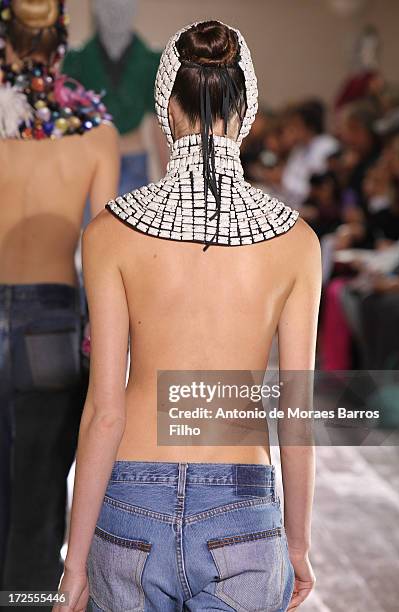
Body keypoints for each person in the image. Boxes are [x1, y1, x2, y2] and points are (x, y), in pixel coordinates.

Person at [56, 21, 321, 612]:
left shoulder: (110, 233)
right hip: (243, 507)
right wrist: (298, 543)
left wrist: (74, 566)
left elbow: (104, 410)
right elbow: (296, 414)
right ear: (246, 106)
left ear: (166, 107)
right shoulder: (297, 242)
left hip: (130, 503)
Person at [0, 0, 120, 595]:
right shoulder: (95, 129)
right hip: (51, 324)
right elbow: (103, 248)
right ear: (64, 38)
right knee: (42, 497)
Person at [63, 0, 168, 195]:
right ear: (96, 9)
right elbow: (68, 124)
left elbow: (159, 125)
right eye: (108, 6)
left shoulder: (151, 62)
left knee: (131, 223)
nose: (116, 13)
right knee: (93, 225)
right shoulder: (77, 61)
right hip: (90, 162)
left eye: (124, 6)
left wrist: (169, 184)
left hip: (132, 159)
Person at [281, 99, 339, 207]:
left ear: (309, 127)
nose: (293, 130)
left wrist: (283, 181)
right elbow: (287, 178)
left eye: (296, 125)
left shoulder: (327, 146)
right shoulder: (299, 149)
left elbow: (317, 189)